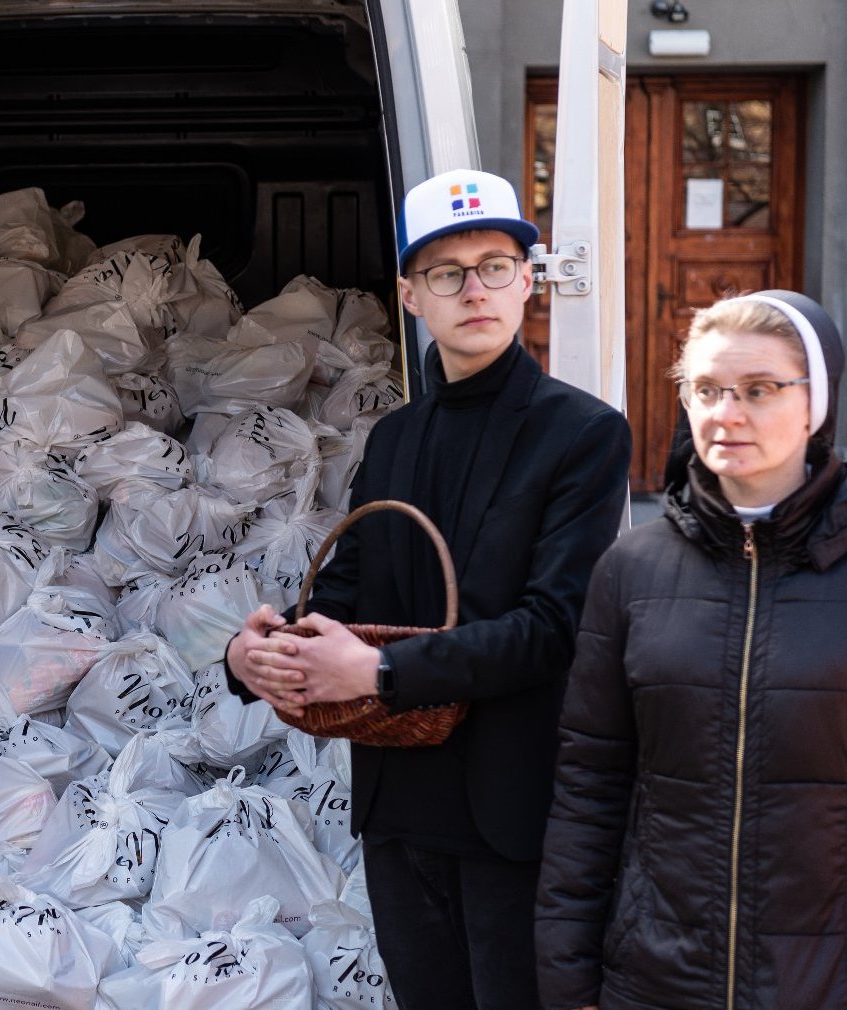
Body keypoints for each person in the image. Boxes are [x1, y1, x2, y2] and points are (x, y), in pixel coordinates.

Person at [226, 168, 632, 1010]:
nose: (473, 290)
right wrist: (256, 654)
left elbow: (555, 628)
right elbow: (348, 592)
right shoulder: (396, 439)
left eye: (494, 265)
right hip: (400, 802)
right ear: (410, 296)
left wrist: (380, 677)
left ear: (528, 280)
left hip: (512, 808)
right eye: (446, 274)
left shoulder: (584, 434)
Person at [535, 292, 847, 1009]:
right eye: (706, 389)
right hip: (656, 982)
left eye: (759, 390)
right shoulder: (632, 570)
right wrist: (568, 981)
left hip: (846, 985)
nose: (726, 413)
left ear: (816, 405)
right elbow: (591, 785)